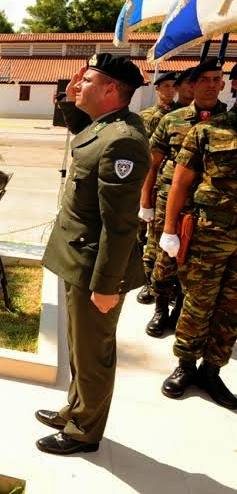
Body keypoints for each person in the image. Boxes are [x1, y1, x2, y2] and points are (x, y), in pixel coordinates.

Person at [37, 53, 149, 455]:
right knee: (79, 346)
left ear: (111, 90)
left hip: (95, 268)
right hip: (79, 259)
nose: (78, 83)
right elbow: (87, 142)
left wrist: (108, 286)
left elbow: (120, 226)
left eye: (87, 79)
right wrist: (71, 103)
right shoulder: (106, 129)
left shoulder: (124, 141)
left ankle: (85, 431)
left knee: (94, 353)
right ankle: (75, 407)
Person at [158, 68, 237, 410]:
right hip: (210, 236)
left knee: (232, 310)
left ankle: (213, 371)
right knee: (198, 303)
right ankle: (186, 365)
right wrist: (169, 230)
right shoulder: (207, 131)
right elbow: (179, 184)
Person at [140, 59, 228, 337]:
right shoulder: (172, 120)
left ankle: (180, 312)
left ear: (223, 85)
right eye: (205, 79)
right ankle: (161, 309)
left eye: (217, 80)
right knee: (165, 260)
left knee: (194, 267)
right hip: (171, 203)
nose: (212, 85)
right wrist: (146, 202)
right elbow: (152, 164)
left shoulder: (227, 120)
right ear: (192, 84)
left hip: (208, 208)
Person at [135, 70, 179, 305]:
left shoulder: (180, 115)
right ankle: (144, 277)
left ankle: (159, 282)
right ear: (158, 89)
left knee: (158, 236)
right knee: (143, 233)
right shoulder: (146, 116)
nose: (170, 90)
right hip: (148, 178)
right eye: (166, 86)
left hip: (167, 183)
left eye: (174, 86)